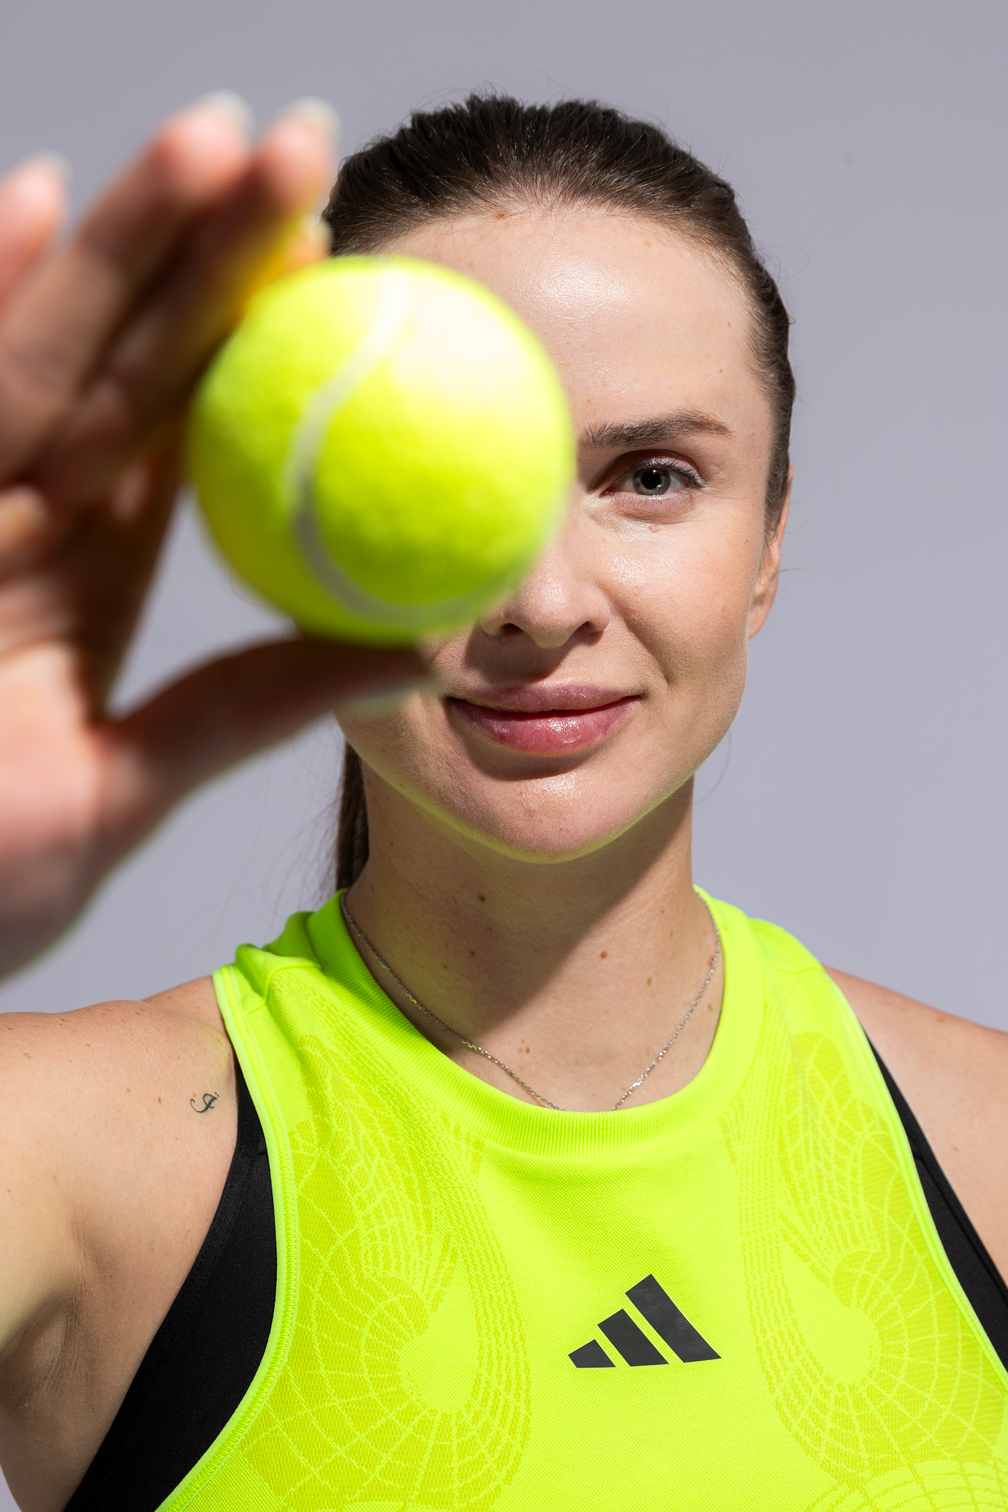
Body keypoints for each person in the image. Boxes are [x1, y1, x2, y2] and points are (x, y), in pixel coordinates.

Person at [0, 91, 1005, 1512]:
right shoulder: (70, 1157)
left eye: (651, 478)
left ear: (770, 538)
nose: (540, 602)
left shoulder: (990, 1146)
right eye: (435, 484)